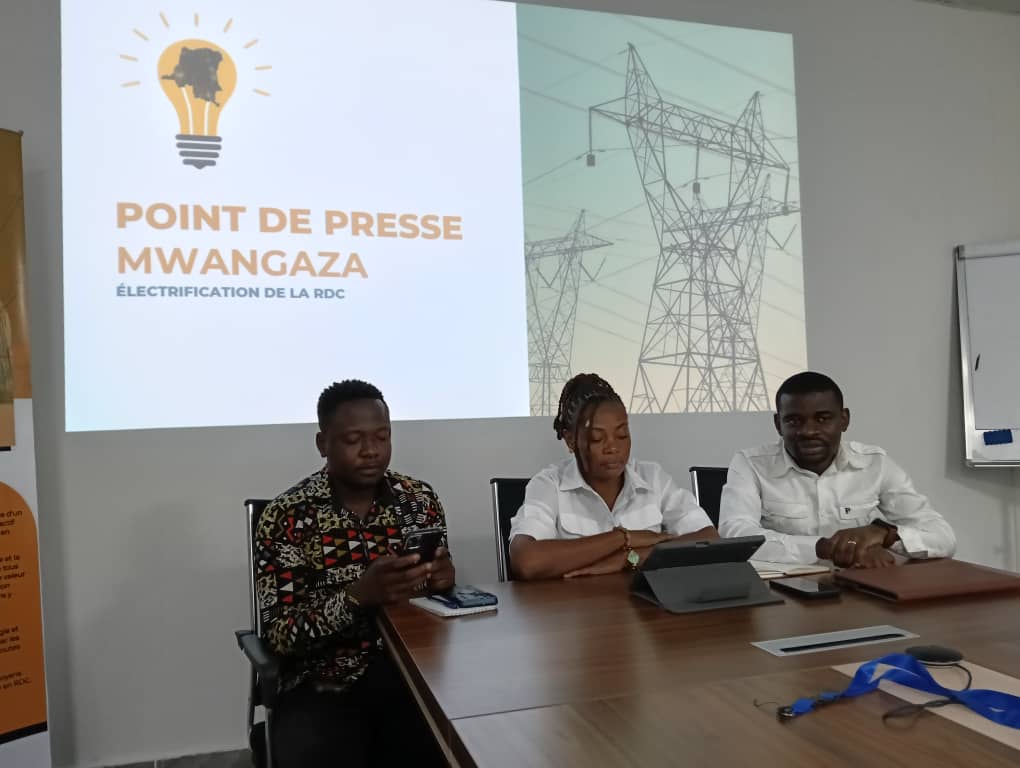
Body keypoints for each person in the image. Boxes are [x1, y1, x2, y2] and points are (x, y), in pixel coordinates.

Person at [255, 380, 451, 768]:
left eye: (382, 436)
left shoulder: (419, 500)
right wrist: (356, 597)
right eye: (353, 439)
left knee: (457, 744)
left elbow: (435, 603)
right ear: (322, 443)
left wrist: (444, 580)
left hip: (412, 673)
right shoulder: (287, 517)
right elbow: (280, 636)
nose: (371, 450)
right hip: (322, 682)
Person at [718, 371, 956, 568]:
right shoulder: (750, 464)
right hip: (783, 594)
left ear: (844, 420)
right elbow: (736, 534)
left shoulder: (875, 464)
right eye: (793, 421)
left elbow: (943, 537)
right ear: (778, 424)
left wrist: (886, 535)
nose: (808, 431)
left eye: (822, 419)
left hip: (862, 587)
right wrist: (824, 547)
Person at [509, 373, 717, 580]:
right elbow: (527, 562)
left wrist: (630, 557)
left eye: (622, 435)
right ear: (570, 440)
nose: (613, 448)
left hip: (644, 600)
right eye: (597, 438)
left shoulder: (653, 478)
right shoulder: (550, 484)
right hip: (575, 600)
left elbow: (709, 539)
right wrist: (623, 538)